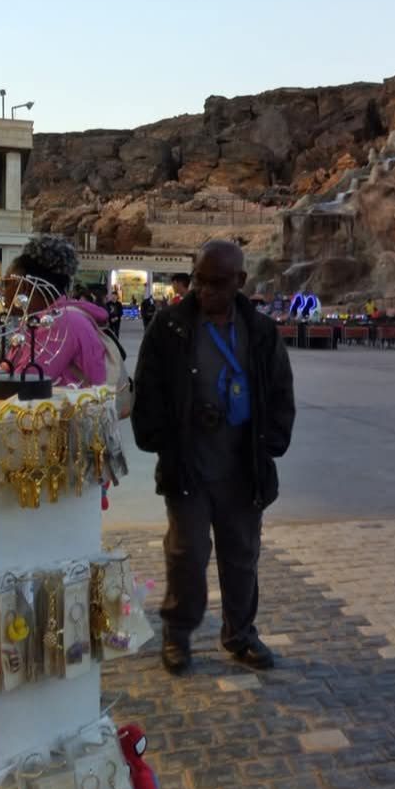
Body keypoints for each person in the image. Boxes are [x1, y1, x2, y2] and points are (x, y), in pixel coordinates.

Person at [132, 240, 296, 676]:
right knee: (186, 554)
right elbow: (147, 388)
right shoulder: (170, 327)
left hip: (242, 467)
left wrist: (271, 443)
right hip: (189, 465)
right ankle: (177, 635)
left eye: (217, 283)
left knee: (241, 555)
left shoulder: (259, 331)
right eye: (199, 280)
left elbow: (280, 390)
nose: (205, 290)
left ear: (240, 281)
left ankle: (240, 634)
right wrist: (164, 437)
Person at [4, 236, 108, 387]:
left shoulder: (59, 323)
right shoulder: (54, 319)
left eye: (6, 283)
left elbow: (25, 384)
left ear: (24, 286)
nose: (3, 291)